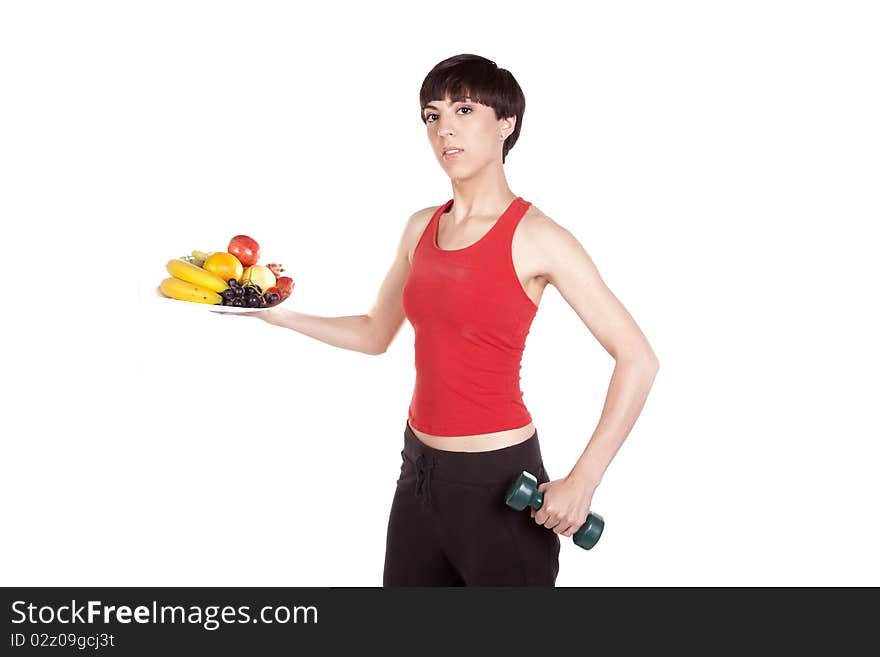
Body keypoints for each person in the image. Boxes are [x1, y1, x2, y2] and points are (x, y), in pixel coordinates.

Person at [224, 54, 659, 586]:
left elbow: (638, 358)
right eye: (431, 115)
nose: (444, 128)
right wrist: (279, 316)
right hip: (419, 478)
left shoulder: (539, 237)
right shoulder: (420, 227)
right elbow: (374, 332)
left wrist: (584, 479)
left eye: (464, 109)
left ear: (507, 123)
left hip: (500, 481)